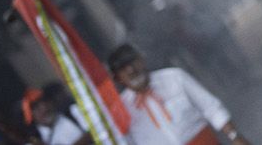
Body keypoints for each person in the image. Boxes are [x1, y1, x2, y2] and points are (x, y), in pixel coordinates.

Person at [104, 45, 248, 145]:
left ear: (142, 59)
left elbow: (212, 108)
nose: (131, 70)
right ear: (118, 78)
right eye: (123, 68)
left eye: (132, 62)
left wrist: (235, 137)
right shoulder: (120, 111)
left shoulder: (174, 78)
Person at [22, 88, 90, 145]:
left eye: (45, 101)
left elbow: (94, 129)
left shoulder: (72, 112)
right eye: (36, 107)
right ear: (30, 116)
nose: (44, 107)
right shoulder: (36, 140)